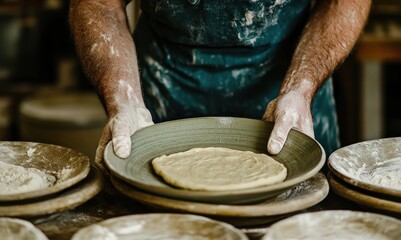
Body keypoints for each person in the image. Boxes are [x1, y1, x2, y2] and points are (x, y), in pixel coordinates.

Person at [69, 0, 371, 176]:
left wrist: (300, 88)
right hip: (161, 90)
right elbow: (99, 4)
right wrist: (124, 99)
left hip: (292, 82)